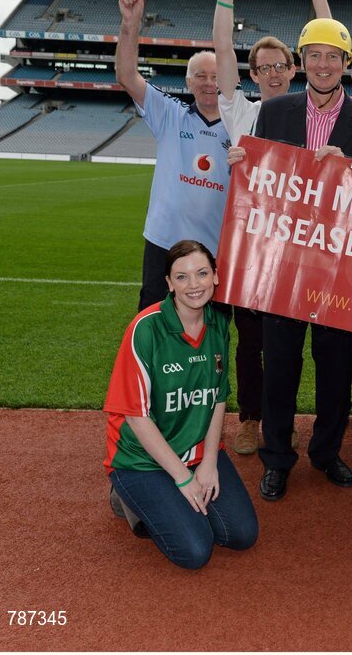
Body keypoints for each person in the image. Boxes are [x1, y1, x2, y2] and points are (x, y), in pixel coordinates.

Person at [229, 16, 352, 501]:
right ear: (302, 62)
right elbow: (262, 183)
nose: (324, 65)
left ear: (345, 64)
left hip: (338, 266)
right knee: (279, 363)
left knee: (335, 364)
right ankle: (276, 457)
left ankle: (325, 452)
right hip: (283, 263)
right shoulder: (274, 111)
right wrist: (242, 164)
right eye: (315, 55)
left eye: (333, 57)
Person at [104, 240, 258, 569]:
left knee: (241, 534)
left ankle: (169, 499)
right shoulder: (145, 330)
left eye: (202, 273)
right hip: (143, 460)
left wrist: (209, 463)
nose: (194, 285)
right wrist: (184, 479)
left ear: (216, 277)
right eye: (182, 277)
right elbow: (136, 416)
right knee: (194, 551)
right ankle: (128, 499)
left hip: (196, 452)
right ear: (169, 283)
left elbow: (217, 396)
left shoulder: (218, 323)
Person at [212, 0, 300, 455]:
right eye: (262, 67)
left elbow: (329, 51)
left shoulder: (309, 116)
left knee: (290, 340)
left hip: (299, 242)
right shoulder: (240, 114)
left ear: (292, 70)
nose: (272, 73)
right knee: (250, 339)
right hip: (249, 242)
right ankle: (251, 417)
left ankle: (284, 423)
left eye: (279, 65)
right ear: (252, 75)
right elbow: (222, 48)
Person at [115, 0, 231, 312]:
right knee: (153, 321)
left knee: (211, 329)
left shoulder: (243, 125)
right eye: (200, 76)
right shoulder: (169, 113)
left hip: (214, 250)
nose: (209, 82)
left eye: (215, 75)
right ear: (188, 82)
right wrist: (130, 25)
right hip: (163, 243)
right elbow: (126, 75)